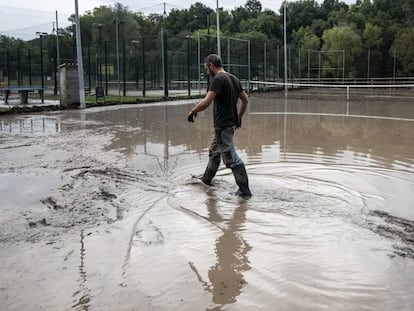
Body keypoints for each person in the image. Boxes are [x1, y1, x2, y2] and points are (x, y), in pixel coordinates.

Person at [187, 54, 252, 197]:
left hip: (223, 125)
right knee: (214, 152)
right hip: (227, 124)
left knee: (230, 157)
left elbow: (206, 102)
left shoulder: (217, 79)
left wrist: (193, 111)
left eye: (206, 68)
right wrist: (239, 117)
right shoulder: (233, 78)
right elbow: (245, 100)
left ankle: (244, 190)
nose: (206, 71)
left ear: (211, 65)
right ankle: (206, 179)